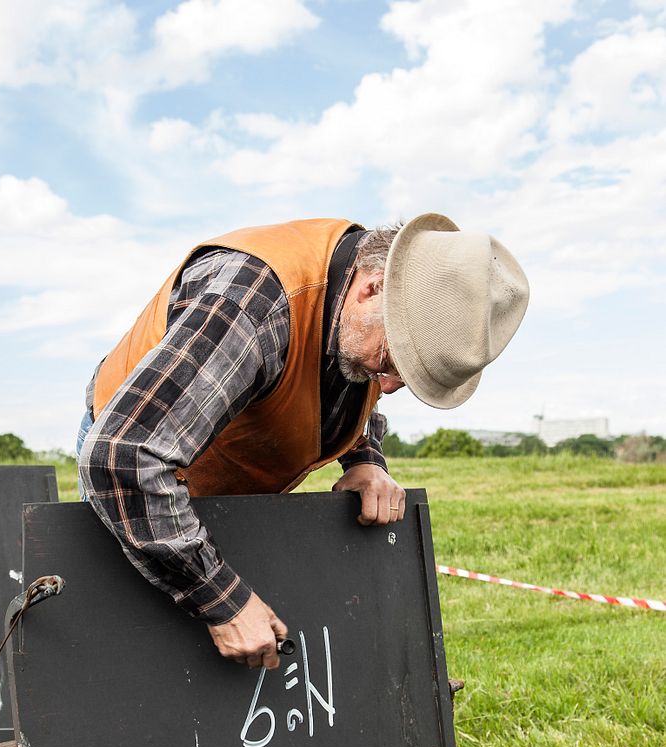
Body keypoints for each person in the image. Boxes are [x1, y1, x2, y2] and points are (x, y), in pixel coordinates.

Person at [78, 213, 529, 671]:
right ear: (373, 287)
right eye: (393, 360)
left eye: (409, 378)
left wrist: (365, 458)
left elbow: (344, 373)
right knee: (145, 655)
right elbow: (123, 457)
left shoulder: (359, 305)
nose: (389, 387)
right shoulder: (253, 304)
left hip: (231, 478)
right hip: (139, 480)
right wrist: (220, 598)